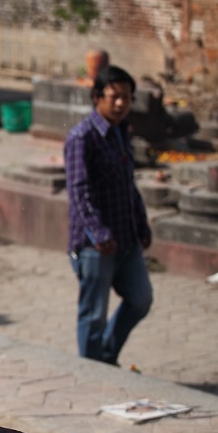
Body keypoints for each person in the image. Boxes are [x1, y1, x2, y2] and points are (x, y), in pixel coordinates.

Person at [65, 65, 153, 365]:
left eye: (126, 98)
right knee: (93, 314)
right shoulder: (82, 137)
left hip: (126, 237)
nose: (120, 104)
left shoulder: (120, 133)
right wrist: (98, 233)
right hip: (95, 245)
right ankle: (93, 371)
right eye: (114, 97)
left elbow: (129, 185)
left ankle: (105, 356)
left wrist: (141, 223)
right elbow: (79, 192)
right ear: (97, 97)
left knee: (141, 299)